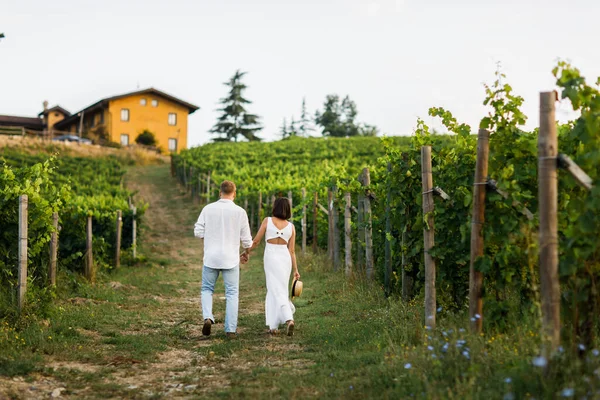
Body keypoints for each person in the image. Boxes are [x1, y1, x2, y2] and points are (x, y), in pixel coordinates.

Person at [193, 180, 252, 338]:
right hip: (230, 258)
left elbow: (198, 232)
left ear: (220, 193)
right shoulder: (240, 212)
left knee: (207, 289)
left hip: (211, 257)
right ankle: (230, 330)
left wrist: (209, 238)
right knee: (232, 293)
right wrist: (246, 252)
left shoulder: (208, 209)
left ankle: (207, 317)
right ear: (234, 194)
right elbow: (247, 240)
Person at [248, 197, 301, 336]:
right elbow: (292, 251)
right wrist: (295, 269)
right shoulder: (291, 227)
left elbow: (256, 241)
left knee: (274, 288)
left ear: (275, 207)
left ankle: (289, 318)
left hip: (271, 256)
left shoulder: (268, 221)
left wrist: (246, 251)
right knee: (279, 288)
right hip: (285, 258)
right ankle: (273, 326)